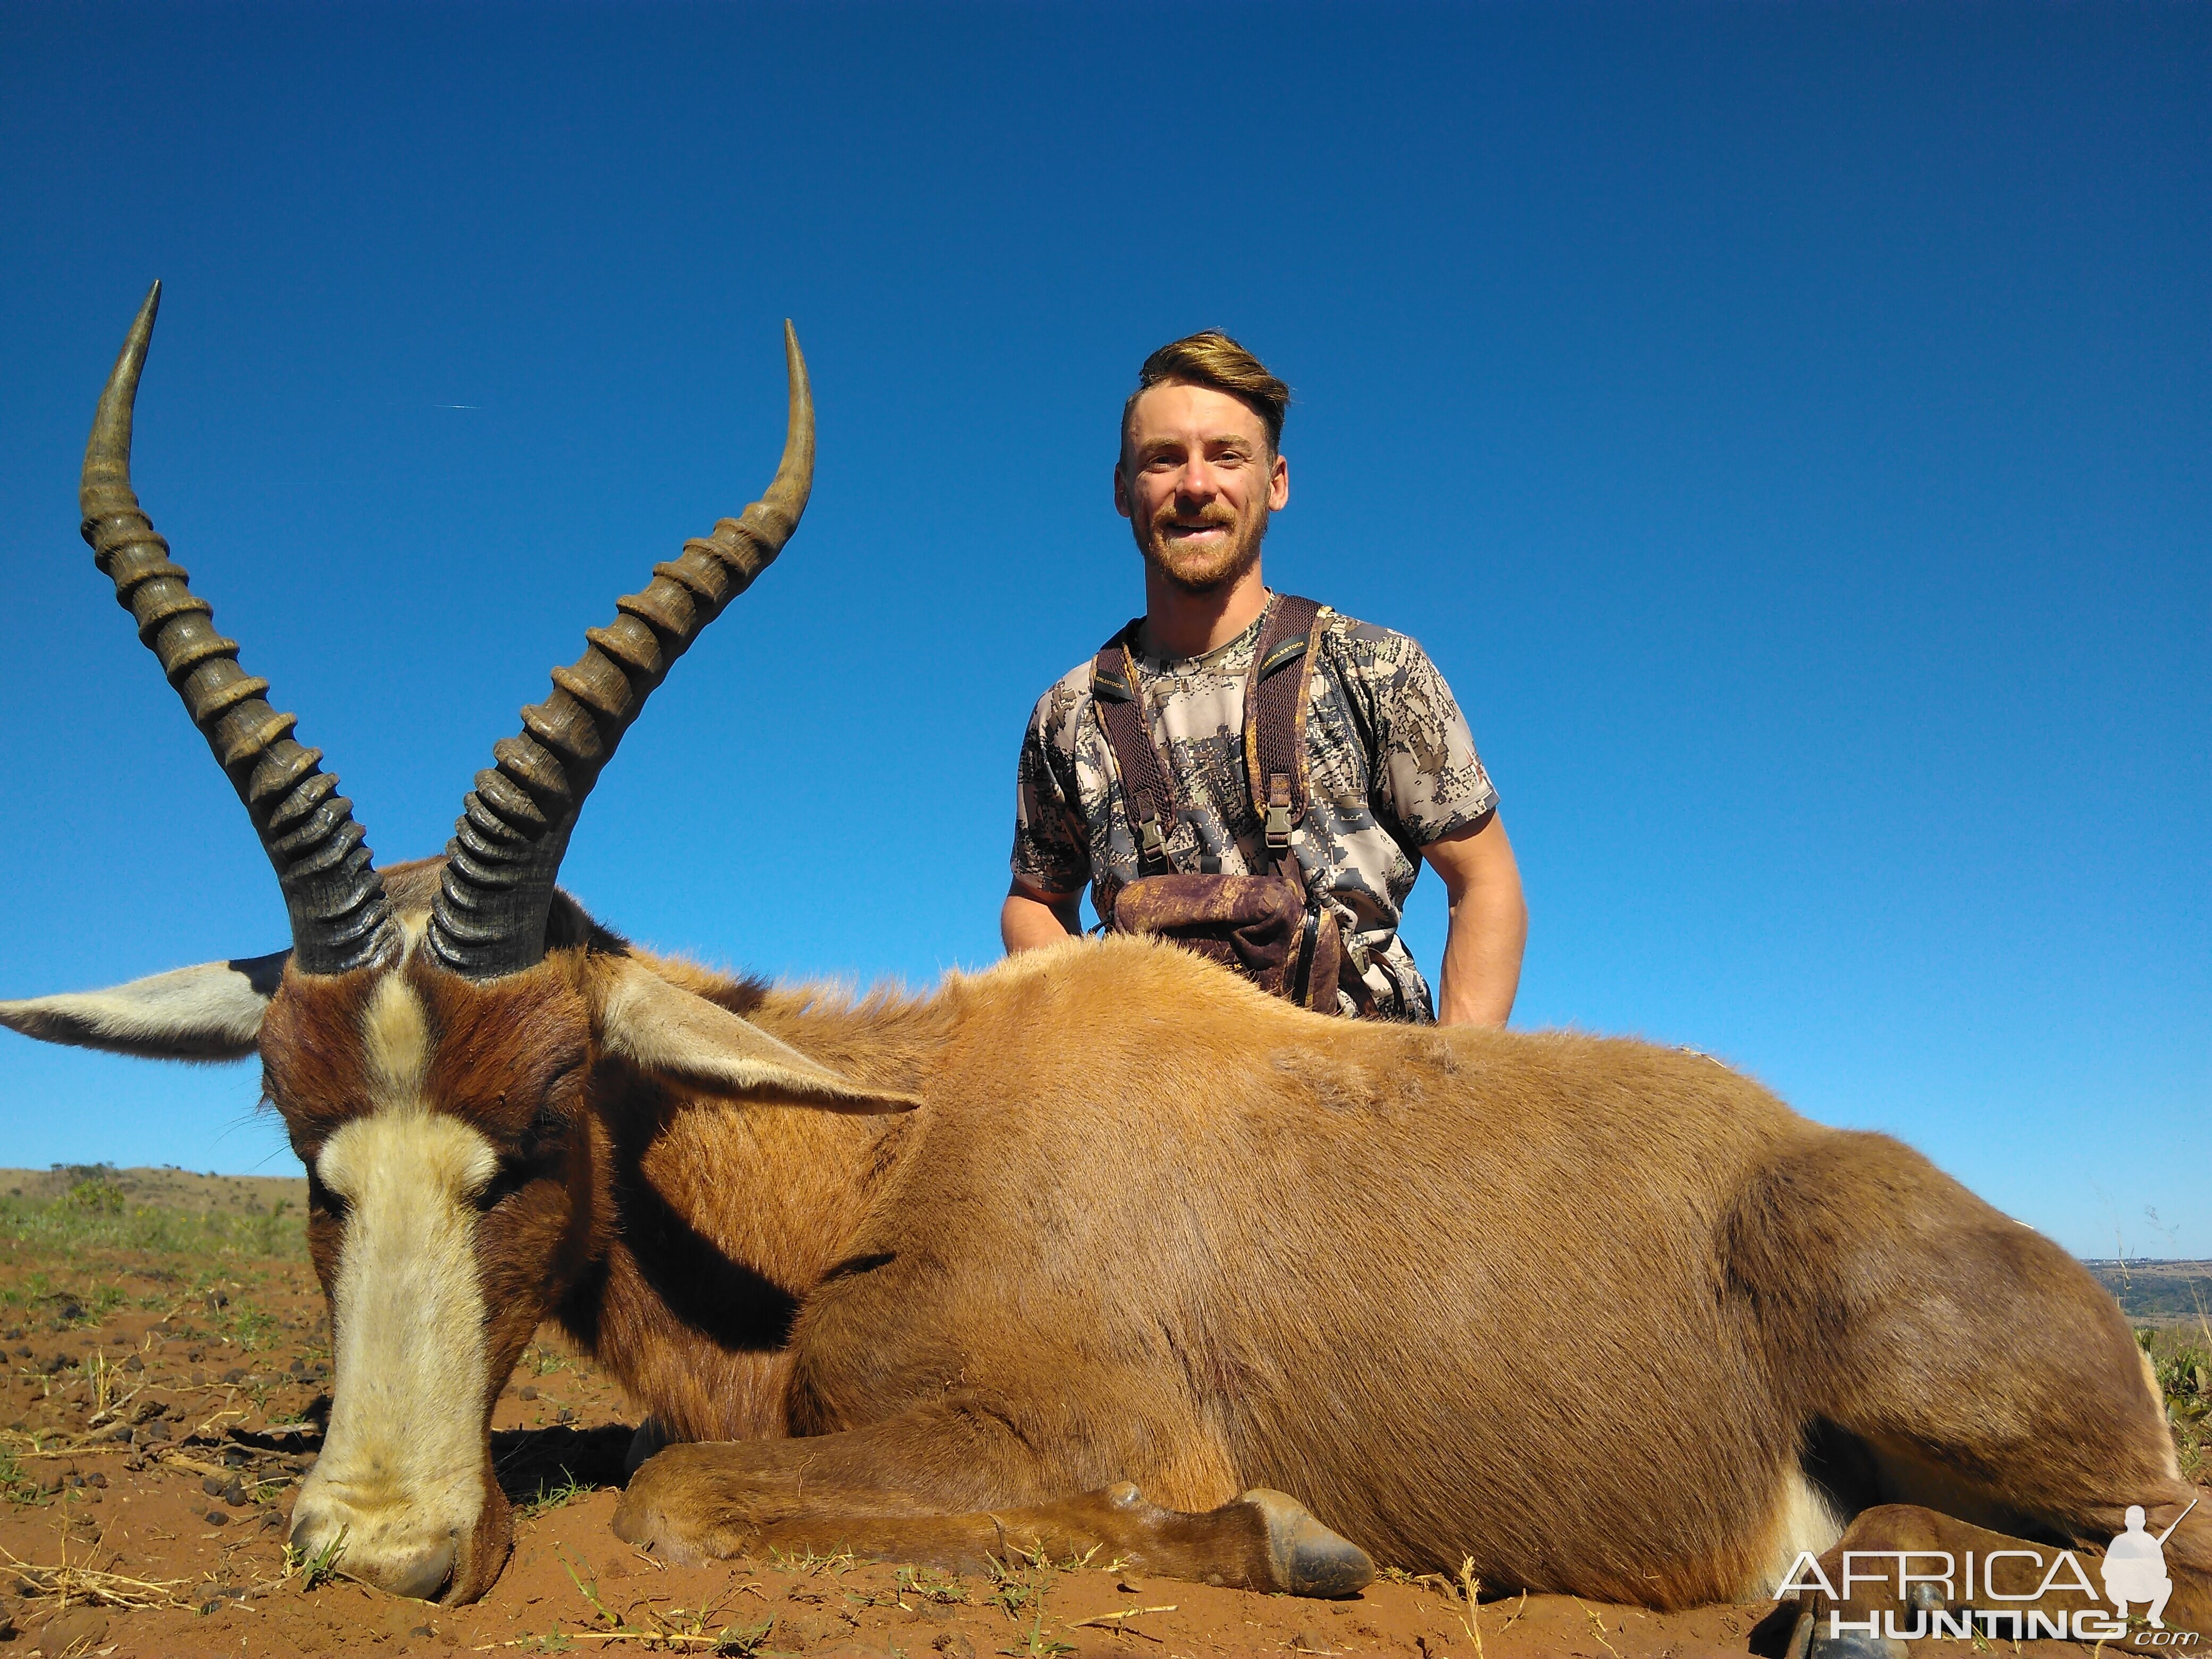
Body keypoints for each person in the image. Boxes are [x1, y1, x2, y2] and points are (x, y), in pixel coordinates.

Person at [1001, 331, 1527, 1025]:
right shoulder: (1068, 714)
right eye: (1164, 460)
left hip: (1367, 1107)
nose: (1196, 486)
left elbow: (1485, 881)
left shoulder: (1376, 667)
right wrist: (1087, 1025)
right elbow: (1036, 900)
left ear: (1274, 482)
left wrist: (1455, 1097)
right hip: (1157, 1109)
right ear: (1125, 490)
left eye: (1227, 456)